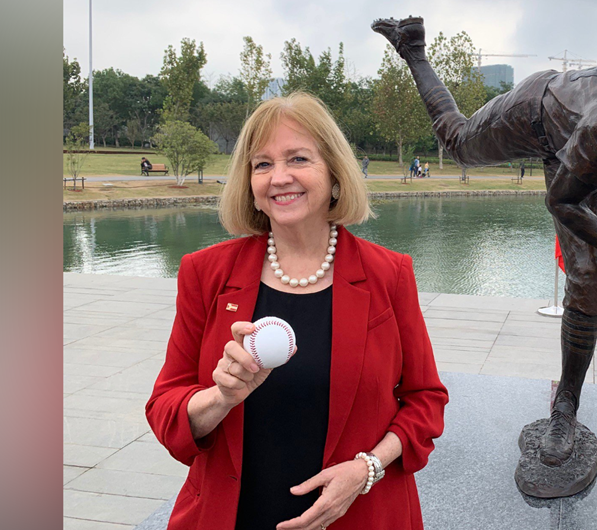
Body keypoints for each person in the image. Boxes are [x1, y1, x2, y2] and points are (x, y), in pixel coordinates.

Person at [372, 16, 597, 467]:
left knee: (593, 275)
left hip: (588, 140)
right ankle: (414, 49)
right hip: (537, 114)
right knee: (460, 142)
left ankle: (567, 404)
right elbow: (561, 201)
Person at [146, 93, 449, 530]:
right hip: (232, 515)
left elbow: (425, 399)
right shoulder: (205, 273)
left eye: (298, 158)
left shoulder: (389, 274)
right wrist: (221, 397)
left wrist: (367, 469)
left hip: (359, 516)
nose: (279, 177)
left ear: (335, 173)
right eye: (262, 164)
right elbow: (164, 407)